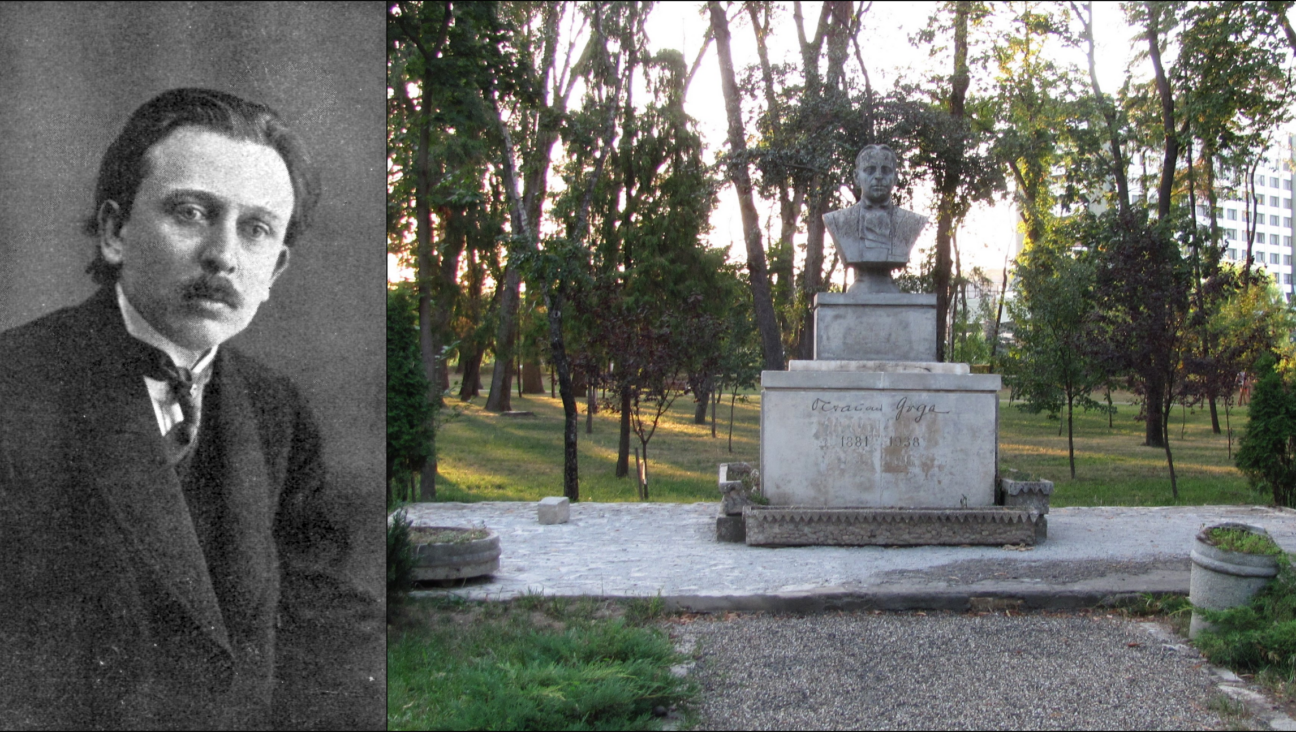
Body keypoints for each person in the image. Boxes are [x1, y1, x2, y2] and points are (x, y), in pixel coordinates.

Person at [0, 88, 380, 730]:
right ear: (115, 230)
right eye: (192, 212)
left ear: (276, 268)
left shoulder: (277, 411)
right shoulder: (17, 387)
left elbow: (331, 642)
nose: (223, 255)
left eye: (256, 229)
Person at [822, 144, 928, 292]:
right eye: (870, 170)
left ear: (895, 178)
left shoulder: (911, 222)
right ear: (857, 177)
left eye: (885, 171)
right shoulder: (837, 221)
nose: (878, 176)